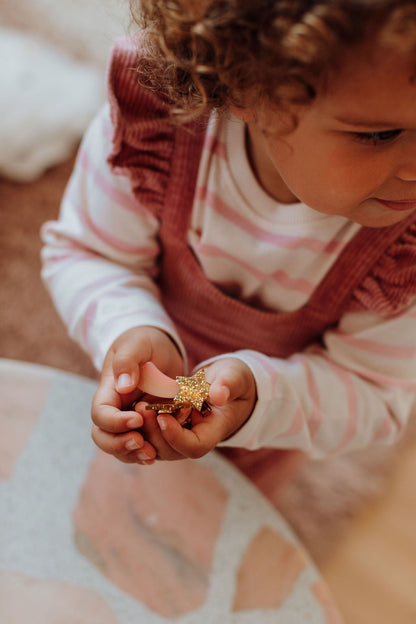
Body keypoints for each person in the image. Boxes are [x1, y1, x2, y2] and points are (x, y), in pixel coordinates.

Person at [41, 0, 416, 495]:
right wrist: (128, 327)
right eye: (380, 134)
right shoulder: (156, 126)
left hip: (261, 441)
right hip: (114, 389)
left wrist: (259, 395)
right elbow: (85, 251)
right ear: (245, 82)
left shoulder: (402, 247)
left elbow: (375, 395)